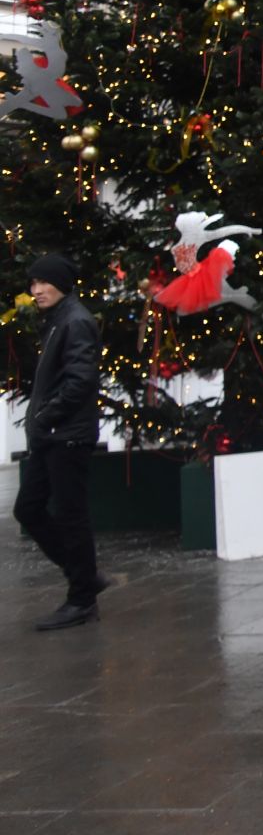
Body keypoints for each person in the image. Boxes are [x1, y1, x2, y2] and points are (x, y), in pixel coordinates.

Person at [14, 254, 106, 631]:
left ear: (61, 284)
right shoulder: (57, 320)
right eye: (32, 284)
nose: (35, 291)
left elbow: (80, 381)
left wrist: (43, 416)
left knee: (71, 517)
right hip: (52, 436)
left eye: (42, 283)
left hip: (67, 437)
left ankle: (82, 599)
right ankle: (84, 575)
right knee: (29, 509)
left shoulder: (76, 321)